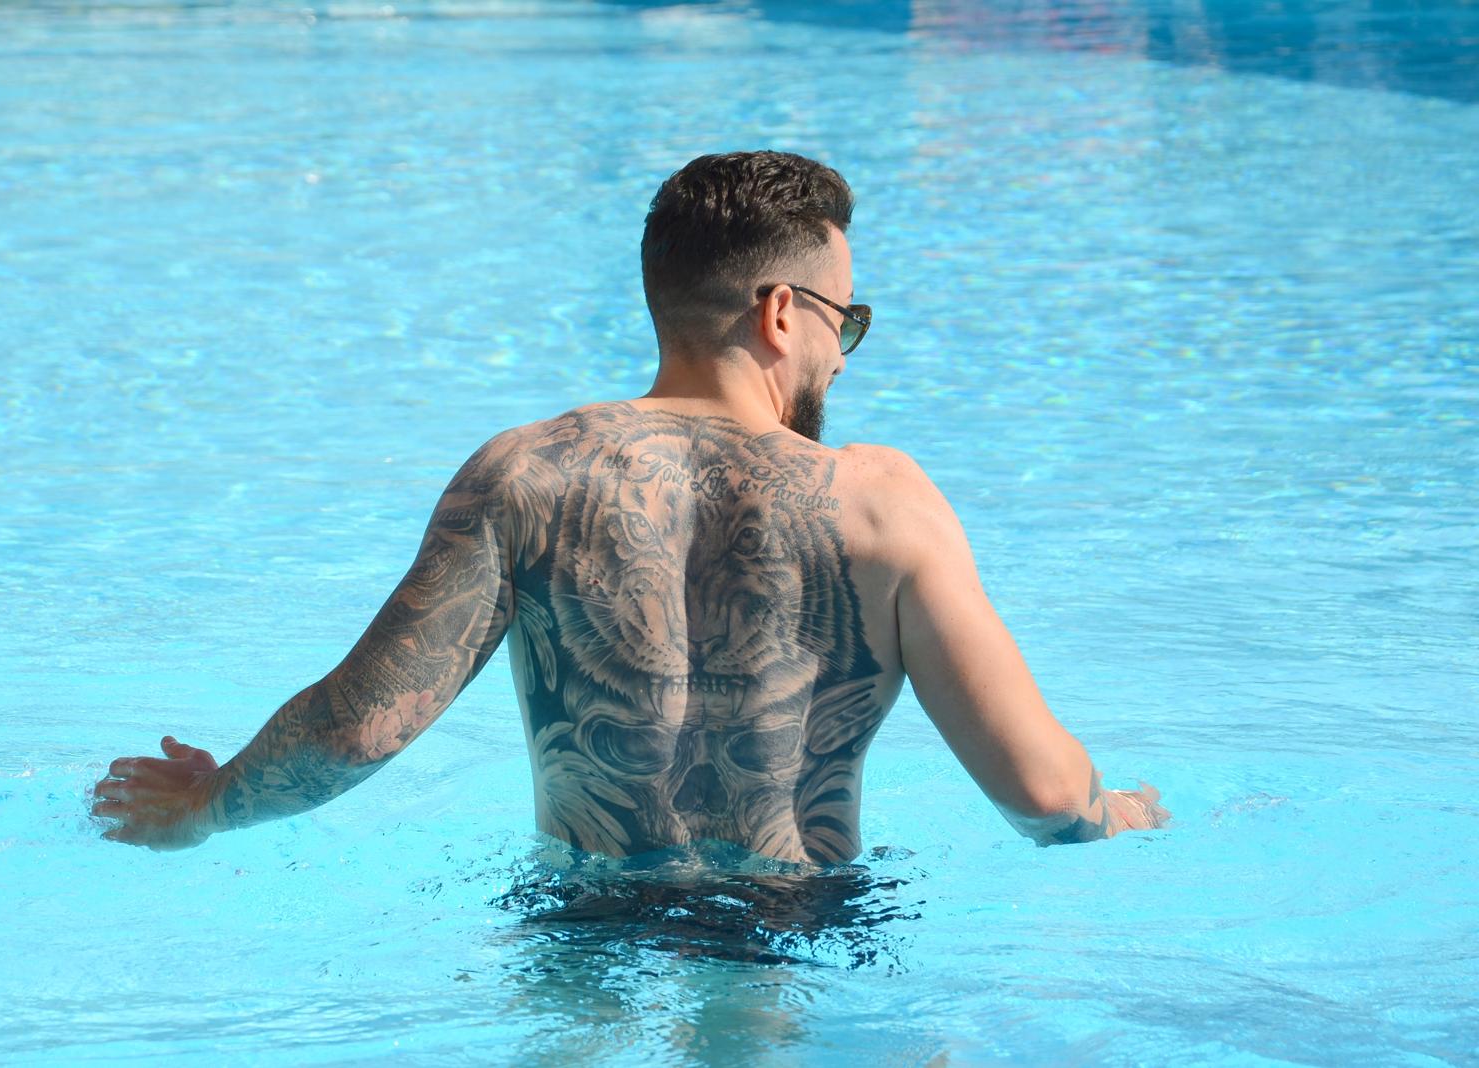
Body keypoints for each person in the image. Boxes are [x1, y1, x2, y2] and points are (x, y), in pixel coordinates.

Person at [92, 151, 1169, 860]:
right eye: (846, 321)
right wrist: (1112, 809)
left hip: (583, 923)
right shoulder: (883, 502)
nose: (844, 357)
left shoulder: (524, 473)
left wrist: (208, 806)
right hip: (791, 932)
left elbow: (360, 726)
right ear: (781, 313)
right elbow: (1042, 795)